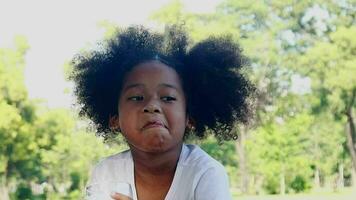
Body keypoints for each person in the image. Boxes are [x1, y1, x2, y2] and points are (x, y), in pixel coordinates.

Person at [70, 25, 254, 200]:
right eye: (136, 97)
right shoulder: (107, 173)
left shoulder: (205, 173)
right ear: (114, 119)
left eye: (168, 98)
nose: (152, 106)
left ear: (189, 117)